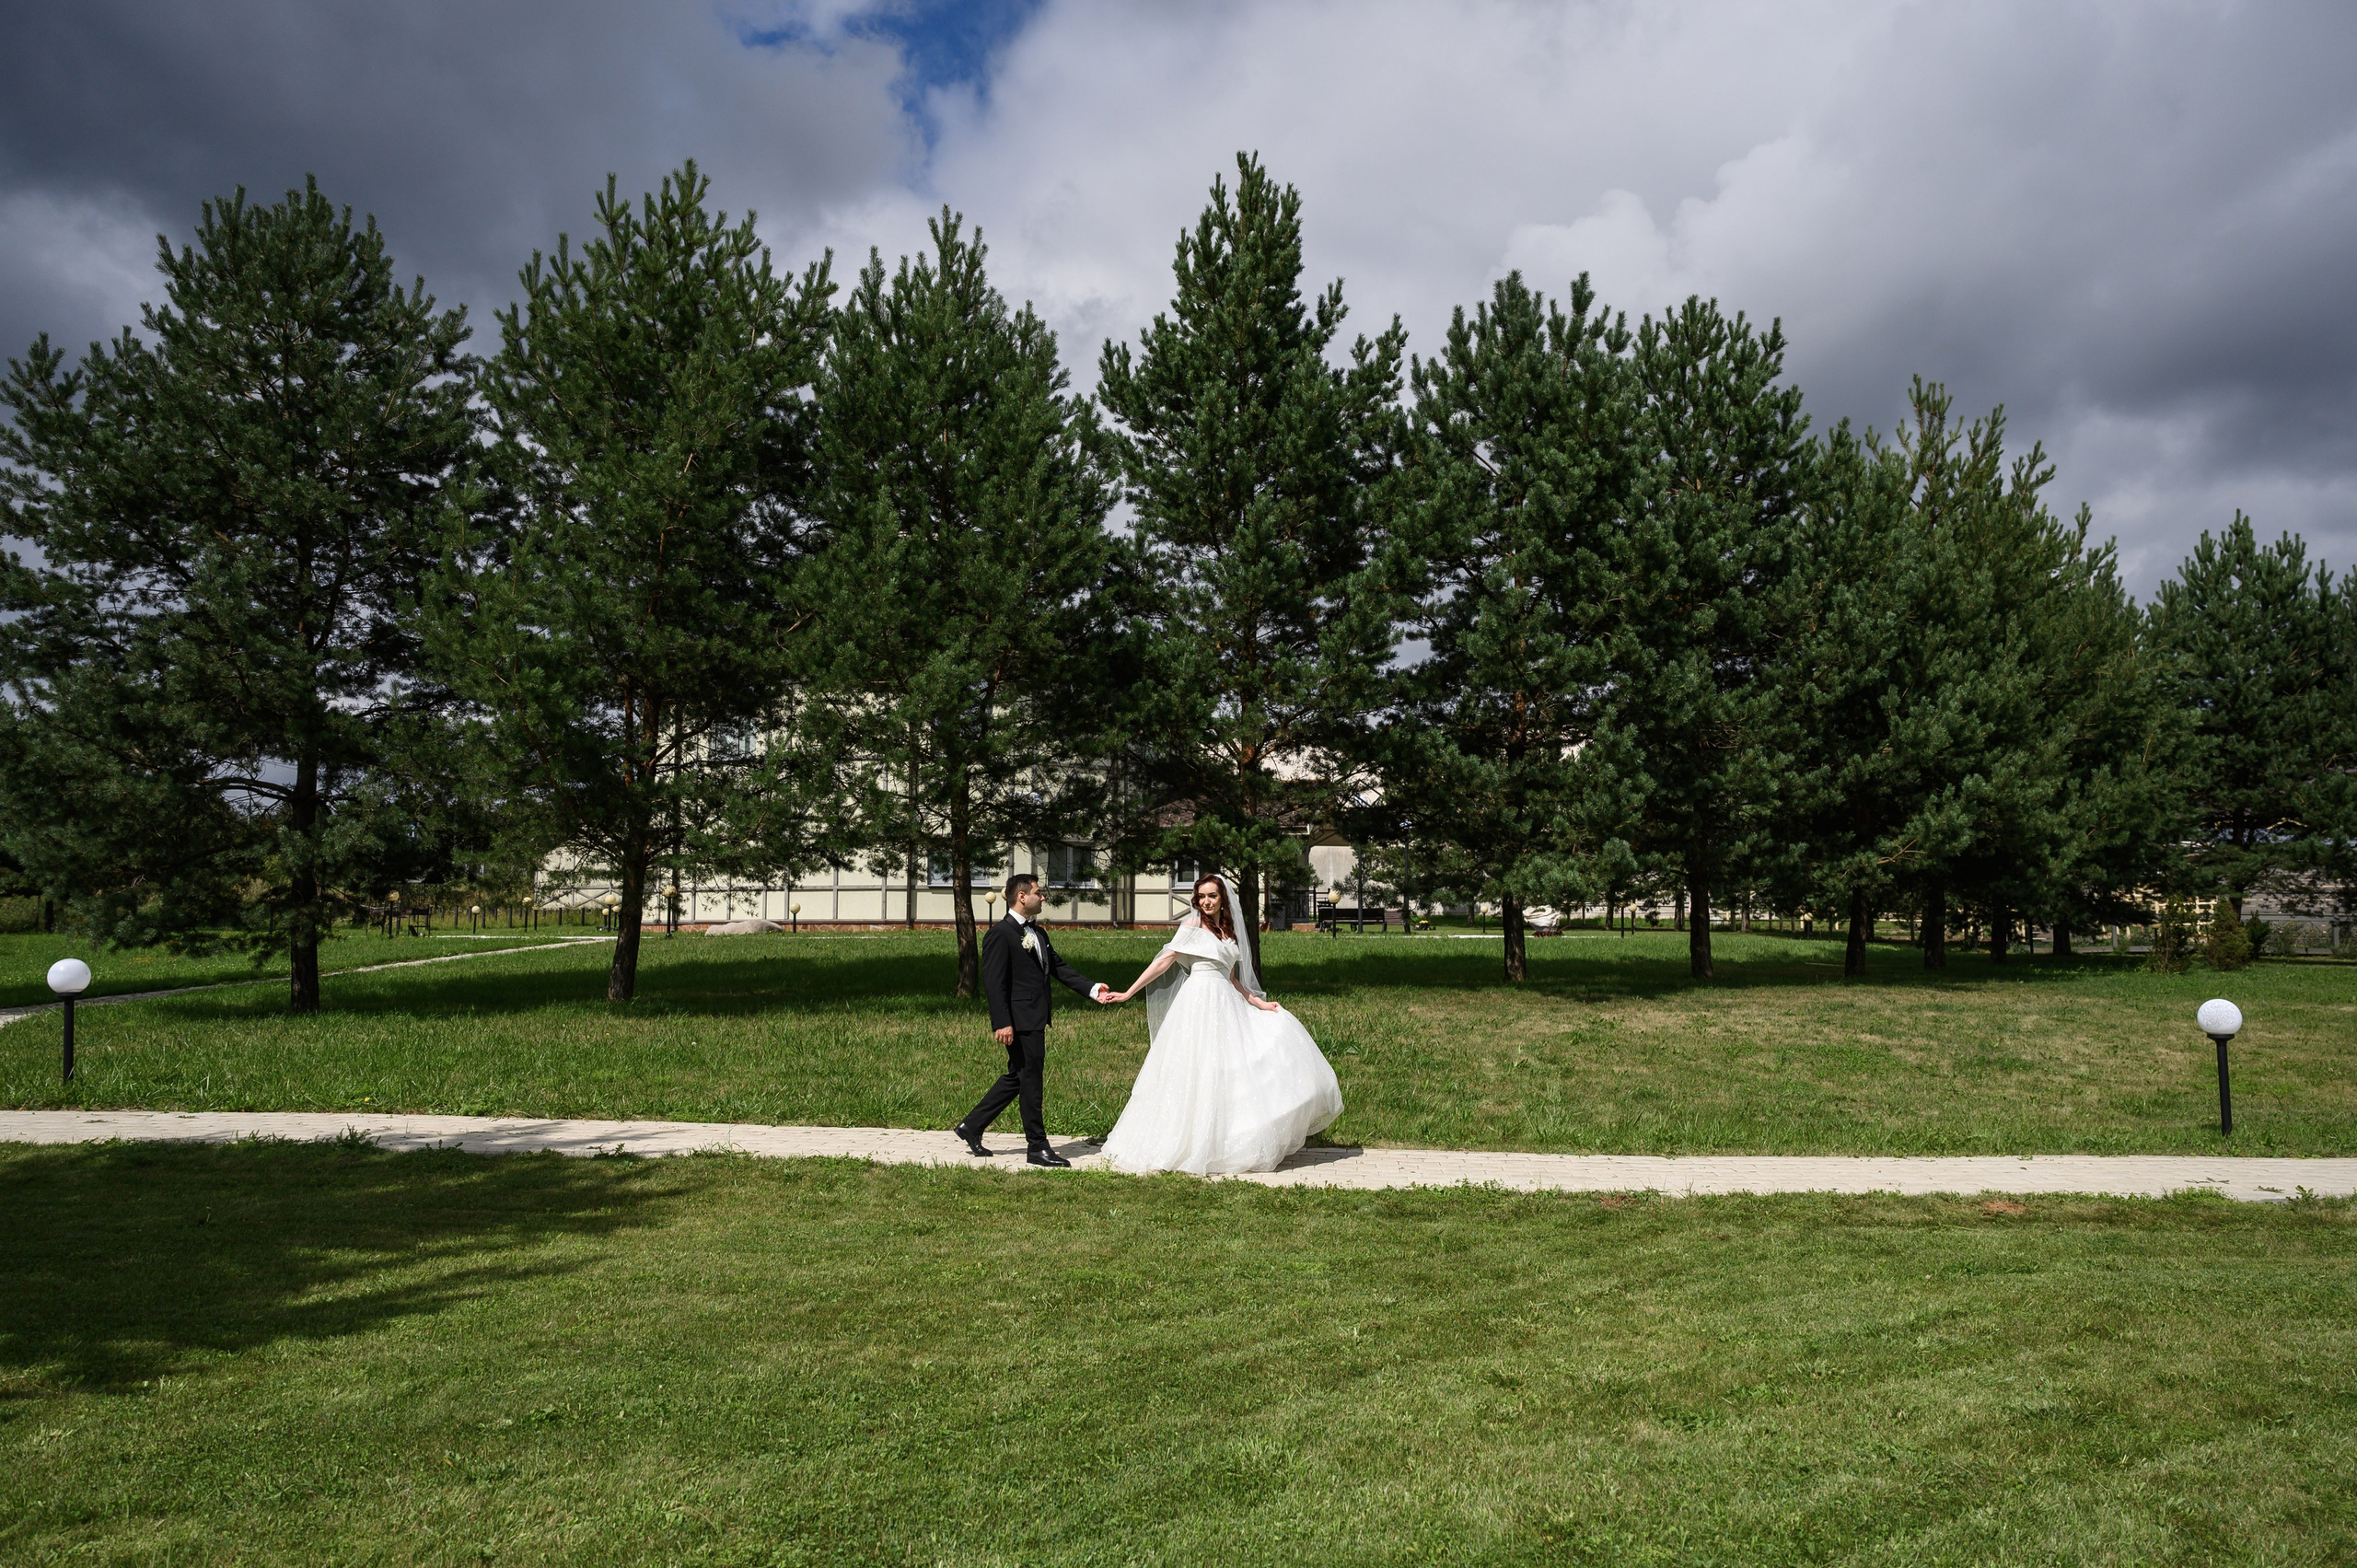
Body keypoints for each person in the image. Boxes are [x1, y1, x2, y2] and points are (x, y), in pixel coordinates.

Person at [1098, 874, 1342, 1175]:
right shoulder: (1190, 927)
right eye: (1201, 896)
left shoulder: (1229, 934)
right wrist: (1129, 992)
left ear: (1222, 899)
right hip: (1197, 1004)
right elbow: (1164, 960)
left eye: (1211, 896)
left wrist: (1258, 1002)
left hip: (1225, 1003)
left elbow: (1231, 978)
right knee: (1193, 1071)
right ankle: (1184, 1143)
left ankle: (1224, 1144)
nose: (1206, 901)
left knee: (1234, 1067)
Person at [954, 872, 1111, 1167]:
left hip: (1034, 1018)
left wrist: (1092, 989)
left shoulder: (1037, 933)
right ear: (1022, 896)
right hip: (1019, 1021)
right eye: (1038, 892)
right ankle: (1037, 1147)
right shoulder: (1000, 934)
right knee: (1031, 1082)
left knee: (1019, 1076)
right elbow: (994, 983)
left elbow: (1058, 968)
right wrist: (1002, 1022)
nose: (1043, 897)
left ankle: (972, 1125)